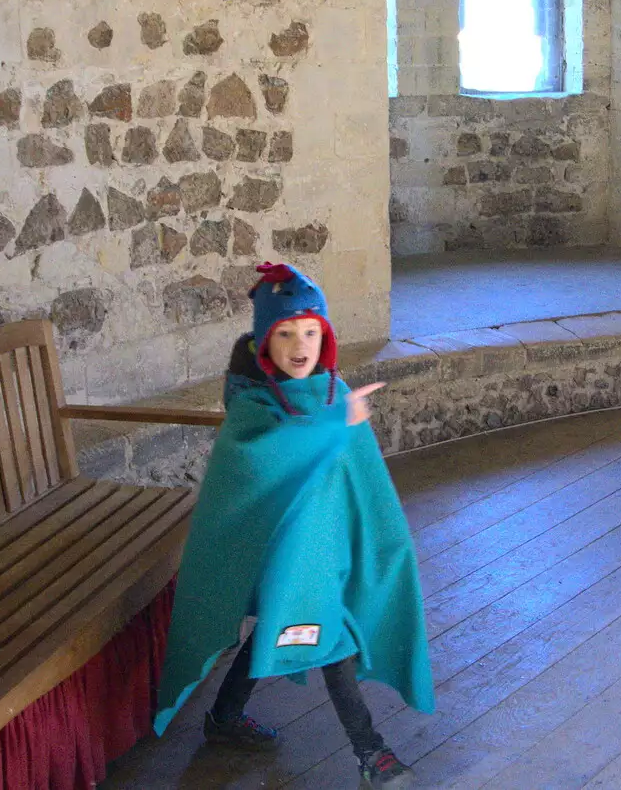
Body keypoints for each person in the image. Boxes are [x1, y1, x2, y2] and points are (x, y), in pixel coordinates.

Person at [153, 262, 434, 789]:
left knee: (286, 626)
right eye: (284, 332)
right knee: (330, 642)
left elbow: (358, 475)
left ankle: (226, 718)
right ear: (264, 341)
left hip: (327, 547)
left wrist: (380, 541)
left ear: (325, 338)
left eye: (310, 331)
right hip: (279, 552)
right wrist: (335, 426)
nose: (299, 344)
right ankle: (371, 752)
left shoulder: (333, 391)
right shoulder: (253, 407)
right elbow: (267, 460)